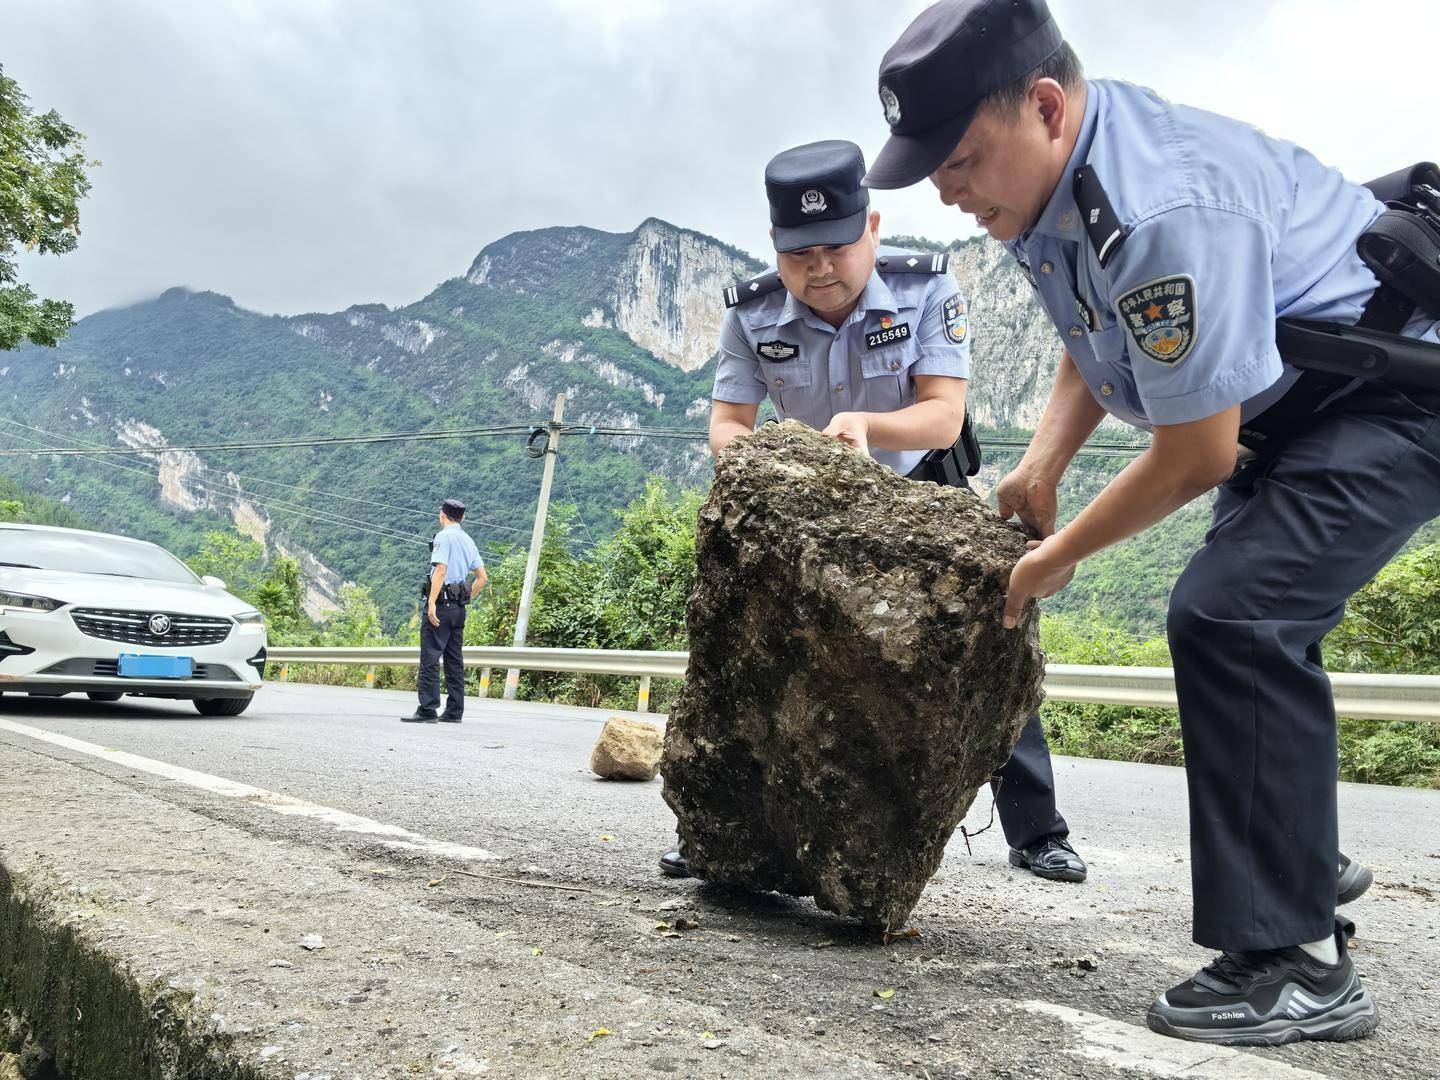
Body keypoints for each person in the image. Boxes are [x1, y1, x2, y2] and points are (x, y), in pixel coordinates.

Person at [862, 0, 1431, 1044]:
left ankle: (1299, 965)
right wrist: (1043, 462)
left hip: (1390, 396)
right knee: (1239, 621)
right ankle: (1296, 862)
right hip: (1296, 404)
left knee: (1234, 615)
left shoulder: (1161, 204)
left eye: (961, 159)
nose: (947, 188)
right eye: (933, 168)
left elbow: (1194, 456)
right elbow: (1098, 332)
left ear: (1045, 107)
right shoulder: (1041, 189)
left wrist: (1056, 555)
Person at [659, 138, 1088, 886]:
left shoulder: (927, 290)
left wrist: (865, 425)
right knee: (765, 659)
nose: (820, 268)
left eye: (836, 247)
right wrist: (775, 460)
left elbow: (943, 417)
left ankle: (1038, 832)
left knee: (992, 635)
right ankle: (722, 832)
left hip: (923, 492)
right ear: (774, 246)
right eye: (800, 255)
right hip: (807, 508)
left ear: (873, 228)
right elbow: (727, 424)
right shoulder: (751, 315)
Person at [401, 499, 487, 724]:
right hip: (458, 609)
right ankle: (454, 711)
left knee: (430, 656)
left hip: (441, 606)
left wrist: (431, 603)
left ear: (442, 515)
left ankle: (428, 709)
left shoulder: (443, 537)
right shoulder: (468, 540)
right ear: (462, 518)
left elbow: (440, 570)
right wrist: (465, 597)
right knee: (454, 659)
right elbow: (482, 578)